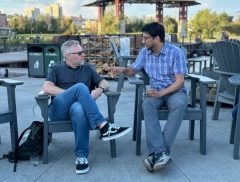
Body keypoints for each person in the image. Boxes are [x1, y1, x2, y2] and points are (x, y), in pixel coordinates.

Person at [106, 22, 188, 172]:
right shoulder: (145, 52)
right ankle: (161, 152)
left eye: (146, 38)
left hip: (175, 91)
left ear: (157, 38)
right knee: (147, 105)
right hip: (154, 92)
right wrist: (122, 69)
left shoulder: (176, 52)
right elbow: (133, 70)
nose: (143, 41)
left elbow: (180, 82)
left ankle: (158, 152)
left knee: (179, 104)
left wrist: (162, 93)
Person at [42, 40, 131, 174]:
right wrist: (74, 94)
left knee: (79, 107)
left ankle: (81, 157)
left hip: (80, 112)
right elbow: (46, 88)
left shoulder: (87, 69)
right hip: (59, 110)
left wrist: (100, 89)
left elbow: (105, 82)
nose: (83, 55)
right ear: (68, 56)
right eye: (79, 53)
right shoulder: (56, 69)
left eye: (83, 52)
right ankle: (104, 126)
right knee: (80, 88)